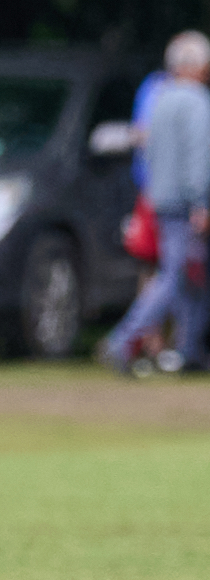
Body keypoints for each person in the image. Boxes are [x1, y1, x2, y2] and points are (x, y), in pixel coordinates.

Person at [103, 31, 210, 373]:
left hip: (159, 199)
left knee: (194, 279)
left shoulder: (160, 98)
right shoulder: (196, 102)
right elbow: (199, 156)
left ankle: (190, 349)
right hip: (185, 203)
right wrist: (202, 202)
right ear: (192, 65)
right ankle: (122, 341)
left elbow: (148, 152)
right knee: (175, 276)